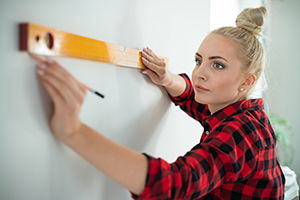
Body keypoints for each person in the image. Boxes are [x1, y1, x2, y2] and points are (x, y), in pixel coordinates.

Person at [32, 6, 285, 200]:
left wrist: (74, 132)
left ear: (246, 81)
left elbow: (175, 184)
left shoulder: (243, 132)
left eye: (217, 65)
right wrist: (167, 78)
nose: (200, 73)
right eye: (199, 60)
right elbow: (194, 99)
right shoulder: (241, 111)